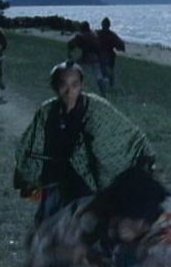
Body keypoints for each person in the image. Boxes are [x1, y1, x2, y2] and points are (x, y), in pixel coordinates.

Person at [13, 60, 156, 230]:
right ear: (54, 86)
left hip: (86, 184)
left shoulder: (96, 108)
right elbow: (32, 144)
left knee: (84, 232)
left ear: (82, 85)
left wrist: (143, 157)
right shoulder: (47, 111)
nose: (69, 91)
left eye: (74, 85)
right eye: (63, 85)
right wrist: (29, 176)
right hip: (55, 181)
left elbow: (126, 135)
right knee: (48, 230)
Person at [67, 21, 106, 96]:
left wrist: (69, 54)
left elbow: (70, 43)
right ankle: (102, 91)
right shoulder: (94, 35)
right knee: (98, 75)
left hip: (85, 57)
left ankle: (75, 88)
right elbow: (98, 48)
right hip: (95, 58)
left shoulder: (81, 36)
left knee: (75, 70)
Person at [96, 17, 125, 91]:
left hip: (102, 55)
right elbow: (120, 45)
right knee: (109, 72)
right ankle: (109, 86)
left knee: (103, 72)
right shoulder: (112, 35)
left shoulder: (97, 33)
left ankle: (105, 86)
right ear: (109, 25)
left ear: (102, 25)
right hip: (108, 56)